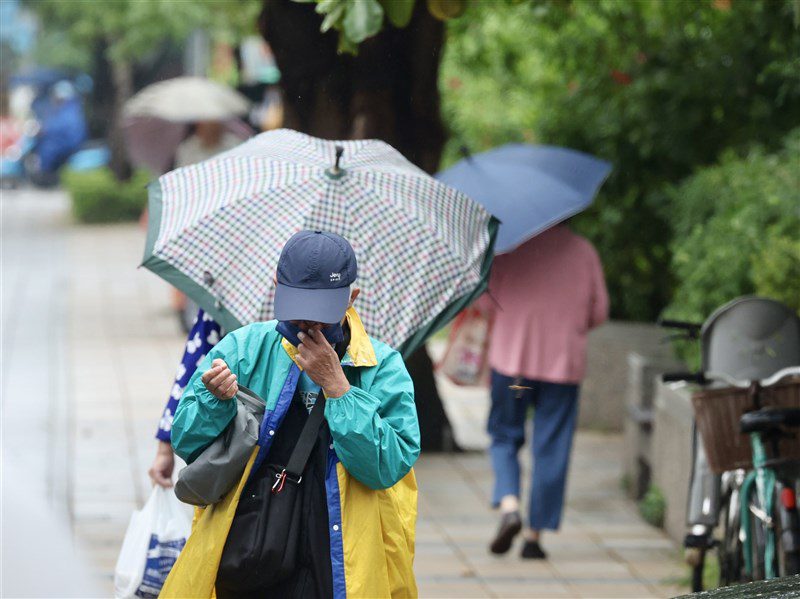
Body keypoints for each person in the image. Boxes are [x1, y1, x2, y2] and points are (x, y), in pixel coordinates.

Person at [162, 230, 420, 598]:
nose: (307, 324)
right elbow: (186, 442)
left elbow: (388, 466)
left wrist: (339, 388)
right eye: (298, 308)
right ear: (277, 287)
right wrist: (213, 401)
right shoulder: (244, 347)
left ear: (352, 298)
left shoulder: (382, 367)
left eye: (321, 313)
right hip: (252, 543)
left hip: (343, 555)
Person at [482, 222, 609, 559]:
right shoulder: (584, 252)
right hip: (561, 368)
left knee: (504, 435)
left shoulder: (509, 251)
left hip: (513, 368)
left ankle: (509, 504)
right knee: (551, 446)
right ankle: (534, 537)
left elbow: (486, 301)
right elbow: (599, 313)